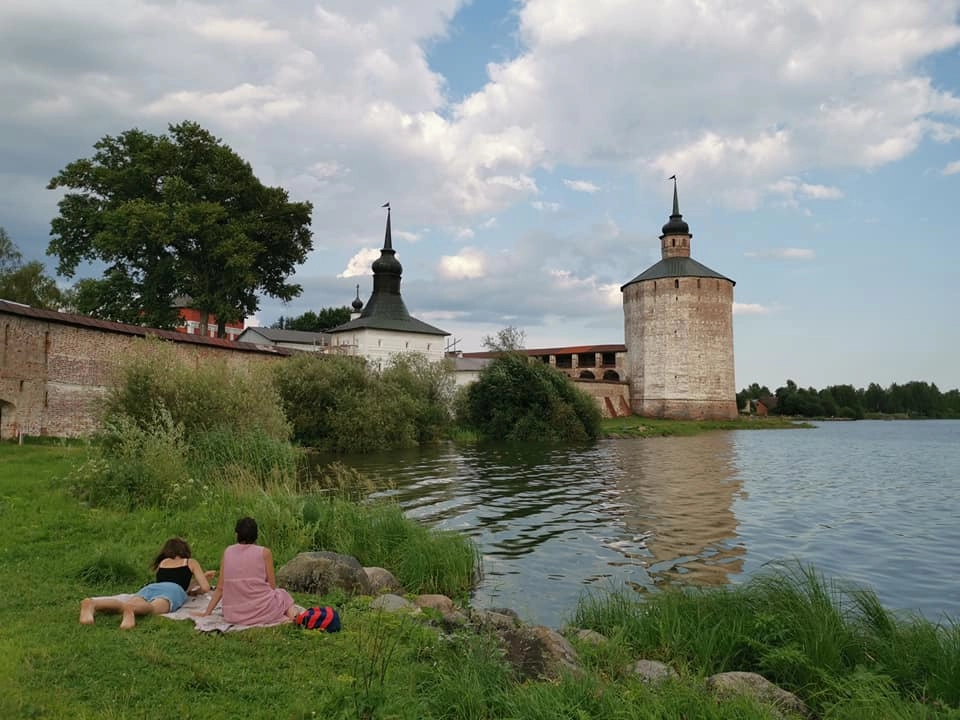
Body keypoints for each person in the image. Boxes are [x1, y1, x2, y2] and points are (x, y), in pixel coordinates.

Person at [79, 537, 215, 630]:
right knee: (151, 608)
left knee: (125, 604)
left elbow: (177, 582)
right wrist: (197, 589)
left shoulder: (163, 563)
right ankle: (131, 611)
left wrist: (194, 583)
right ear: (185, 551)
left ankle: (93, 603)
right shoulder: (191, 562)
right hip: (172, 591)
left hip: (151, 588)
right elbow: (204, 588)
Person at [196, 517, 298, 625]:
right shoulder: (265, 552)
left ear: (237, 534)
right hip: (261, 610)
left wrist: (207, 612)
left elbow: (220, 588)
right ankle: (293, 618)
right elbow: (272, 586)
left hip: (232, 614)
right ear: (256, 535)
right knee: (282, 594)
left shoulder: (228, 551)